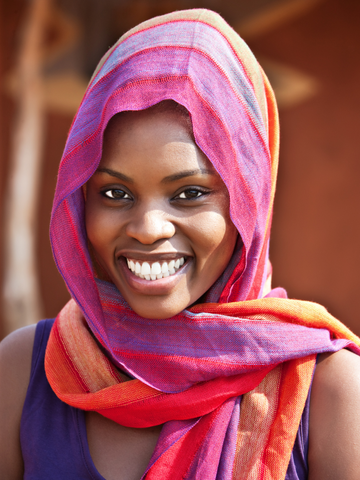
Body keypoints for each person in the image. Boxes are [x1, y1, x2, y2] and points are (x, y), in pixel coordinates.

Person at [1, 8, 360, 480]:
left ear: (248, 201)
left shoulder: (330, 395)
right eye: (115, 193)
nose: (149, 228)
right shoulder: (26, 371)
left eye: (189, 193)